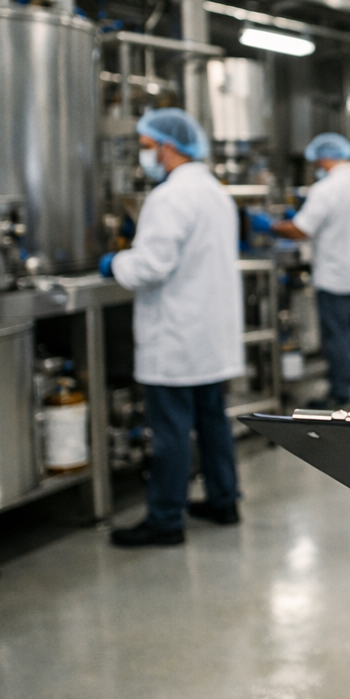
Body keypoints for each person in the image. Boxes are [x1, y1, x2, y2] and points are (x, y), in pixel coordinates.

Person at [102, 108, 244, 547]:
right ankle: (224, 501)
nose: (146, 155)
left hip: (177, 337)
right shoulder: (214, 192)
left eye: (146, 147)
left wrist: (114, 263)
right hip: (209, 335)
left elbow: (150, 266)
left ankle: (165, 520)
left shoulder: (169, 197)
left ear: (166, 146)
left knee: (170, 434)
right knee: (212, 423)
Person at [265, 133, 350, 409]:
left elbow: (300, 229)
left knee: (337, 339)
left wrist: (269, 225)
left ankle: (341, 393)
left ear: (323, 158)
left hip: (337, 279)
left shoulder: (326, 190)